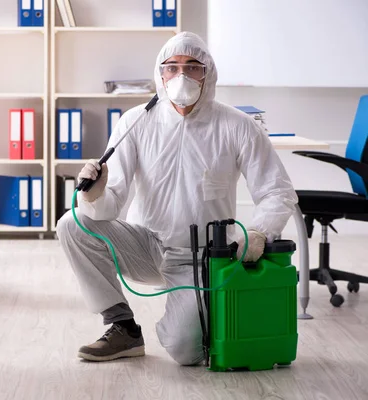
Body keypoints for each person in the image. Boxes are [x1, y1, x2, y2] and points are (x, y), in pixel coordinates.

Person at [55, 31, 298, 365]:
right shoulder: (136, 121)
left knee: (187, 352)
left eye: (192, 67)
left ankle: (194, 320)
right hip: (145, 244)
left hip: (200, 257)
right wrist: (95, 194)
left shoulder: (237, 125)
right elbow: (111, 201)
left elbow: (277, 190)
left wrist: (258, 232)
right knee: (72, 223)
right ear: (161, 73)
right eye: (172, 67)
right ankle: (122, 326)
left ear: (208, 73)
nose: (181, 75)